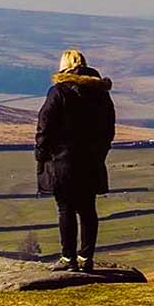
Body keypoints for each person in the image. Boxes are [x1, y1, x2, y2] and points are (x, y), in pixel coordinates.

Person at [35, 49, 115, 272]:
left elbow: (44, 126)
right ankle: (86, 258)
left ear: (64, 66)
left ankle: (68, 258)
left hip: (62, 161)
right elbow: (109, 128)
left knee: (66, 209)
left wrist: (41, 155)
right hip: (91, 160)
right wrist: (100, 153)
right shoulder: (101, 94)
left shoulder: (58, 92)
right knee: (88, 210)